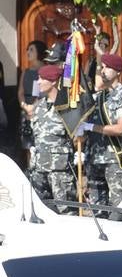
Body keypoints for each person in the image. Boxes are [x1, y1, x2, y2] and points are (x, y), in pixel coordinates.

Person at [85, 54, 122, 206]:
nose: (103, 70)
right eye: (102, 67)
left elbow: (121, 128)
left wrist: (92, 127)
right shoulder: (99, 97)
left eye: (108, 67)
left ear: (118, 72)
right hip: (95, 159)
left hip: (114, 160)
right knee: (97, 209)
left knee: (119, 208)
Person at [28, 64, 75, 210]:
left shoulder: (67, 107)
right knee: (42, 213)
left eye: (43, 78)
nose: (39, 82)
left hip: (60, 172)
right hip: (39, 171)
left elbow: (79, 138)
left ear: (53, 81)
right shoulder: (39, 106)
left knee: (67, 214)